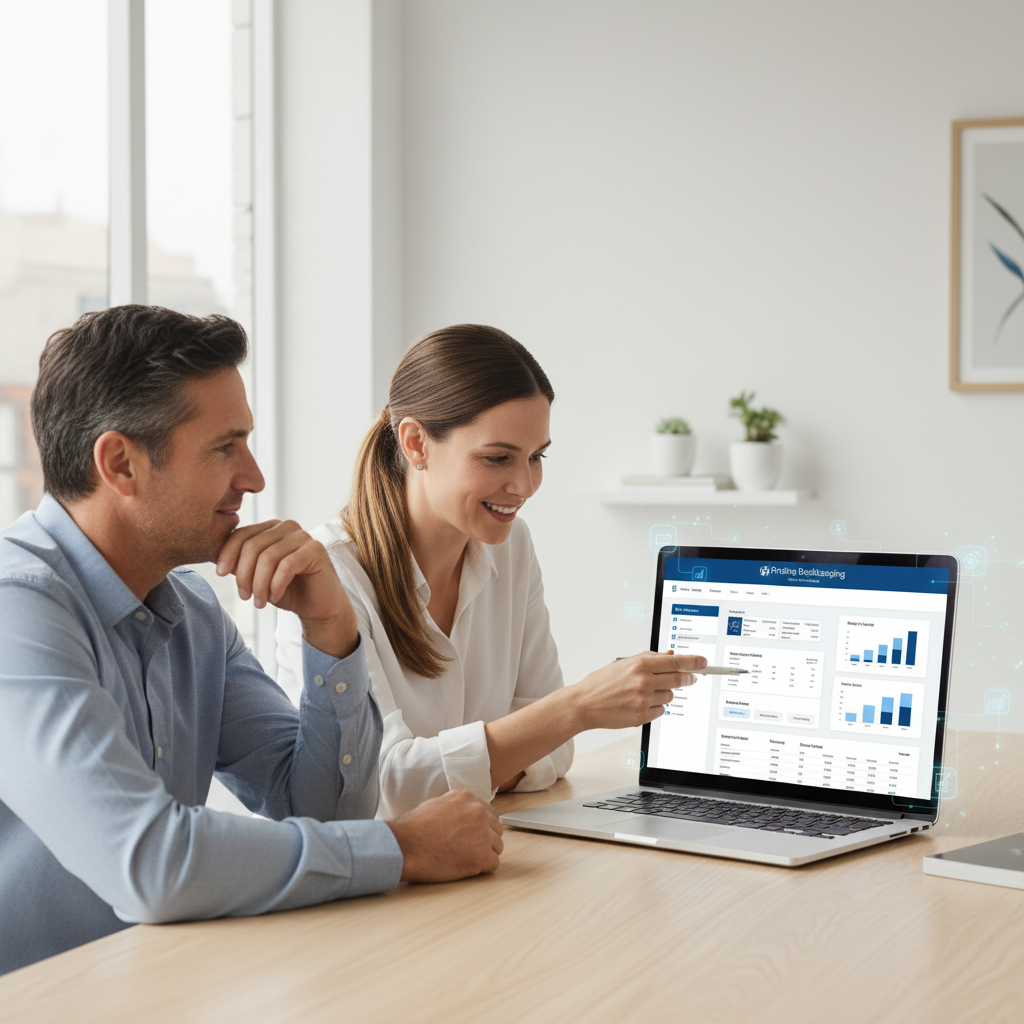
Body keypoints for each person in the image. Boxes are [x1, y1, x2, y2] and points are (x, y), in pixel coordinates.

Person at [0, 306, 502, 977]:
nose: (255, 477)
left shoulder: (194, 613)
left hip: (145, 987)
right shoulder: (18, 609)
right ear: (120, 463)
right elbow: (150, 863)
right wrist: (401, 847)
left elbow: (319, 809)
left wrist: (332, 630)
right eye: (223, 447)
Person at [276, 324, 704, 819]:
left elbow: (553, 752)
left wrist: (520, 742)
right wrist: (577, 707)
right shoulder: (329, 576)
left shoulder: (510, 547)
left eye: (536, 457)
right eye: (497, 458)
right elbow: (379, 787)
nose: (523, 485)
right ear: (415, 443)